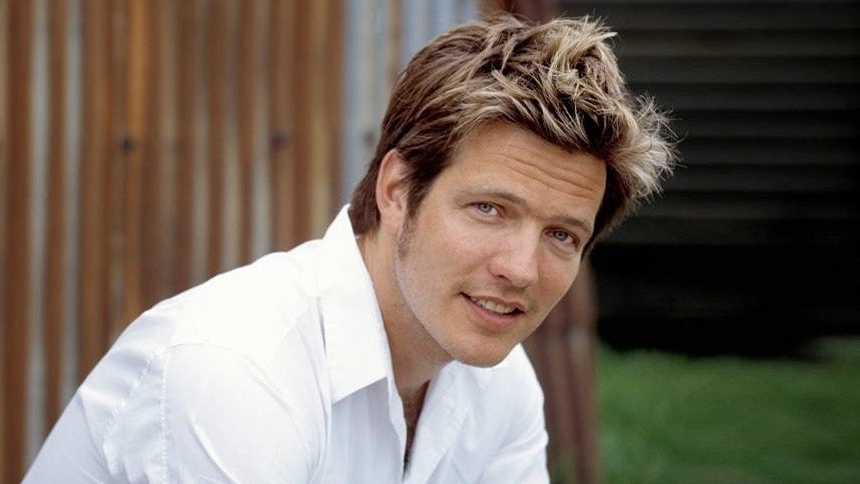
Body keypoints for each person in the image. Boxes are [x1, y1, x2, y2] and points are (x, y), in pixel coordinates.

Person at [23, 13, 675, 484]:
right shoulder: (236, 371)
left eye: (562, 235)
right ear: (397, 191)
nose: (521, 269)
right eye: (489, 209)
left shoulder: (499, 387)